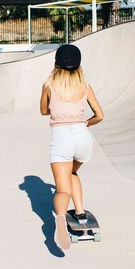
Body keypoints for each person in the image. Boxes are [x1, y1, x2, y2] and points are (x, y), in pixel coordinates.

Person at [40, 44, 104, 250]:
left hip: (62, 138)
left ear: (56, 62)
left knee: (62, 189)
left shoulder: (49, 84)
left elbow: (43, 111)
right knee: (73, 172)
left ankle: (60, 217)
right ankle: (80, 211)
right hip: (83, 138)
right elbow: (100, 116)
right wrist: (86, 122)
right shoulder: (85, 86)